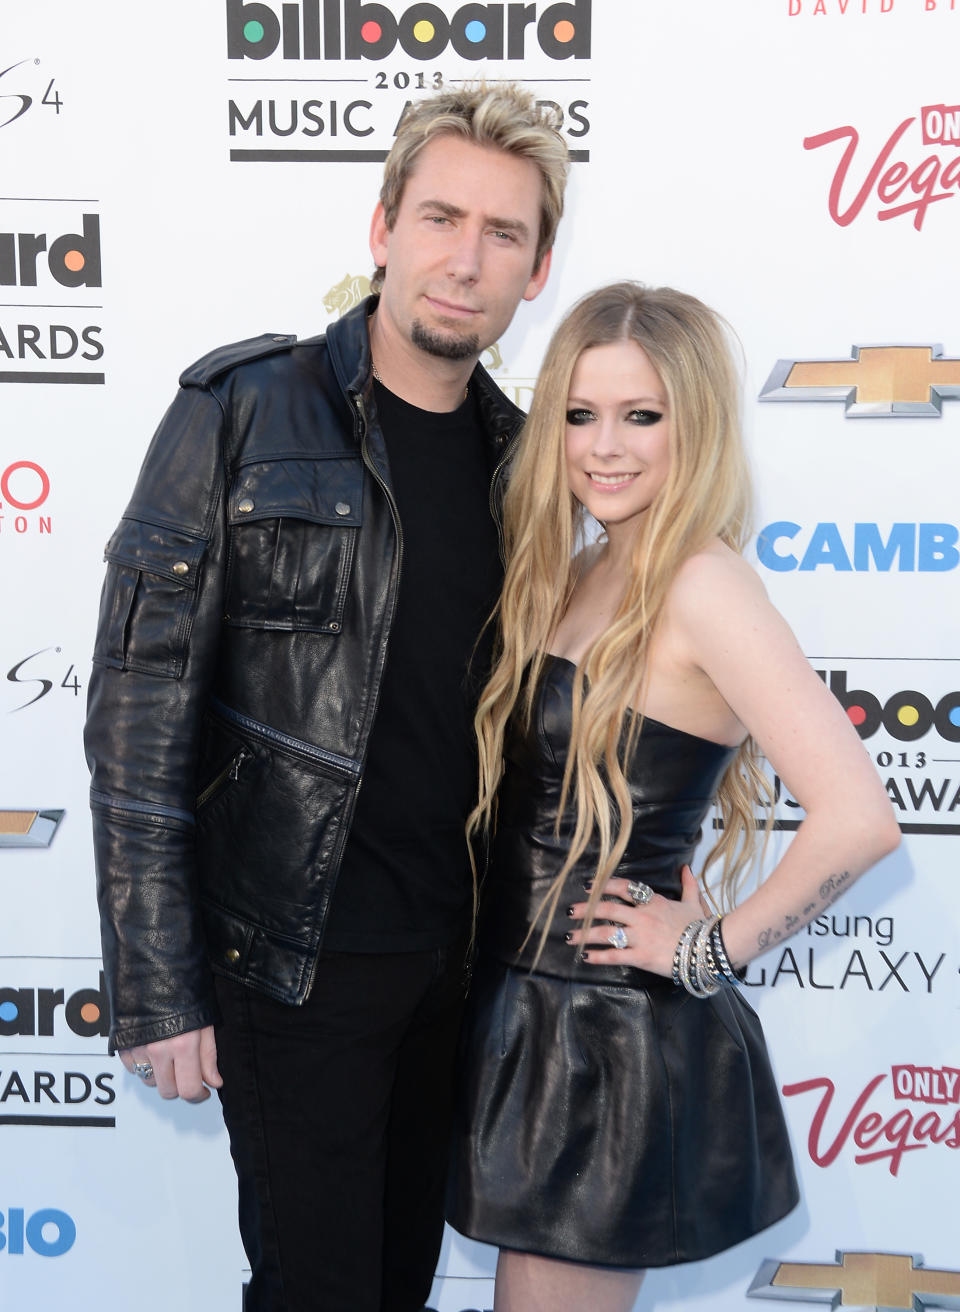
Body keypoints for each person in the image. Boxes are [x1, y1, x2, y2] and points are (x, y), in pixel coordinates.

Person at [83, 83, 568, 1311]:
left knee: (397, 1286)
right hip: (291, 970)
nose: (465, 260)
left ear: (539, 268)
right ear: (382, 228)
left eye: (502, 234)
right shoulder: (242, 410)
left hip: (457, 976)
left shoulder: (530, 467)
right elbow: (139, 714)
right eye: (442, 217)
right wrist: (157, 982)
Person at [446, 283, 901, 1312]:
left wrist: (710, 947)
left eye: (640, 416)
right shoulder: (581, 566)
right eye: (579, 414)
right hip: (526, 1017)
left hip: (607, 1044)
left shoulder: (702, 582)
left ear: (691, 426)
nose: (605, 447)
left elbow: (860, 816)